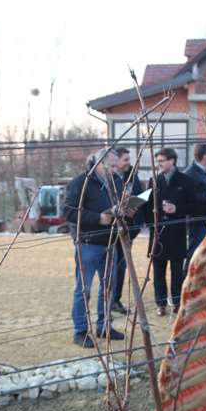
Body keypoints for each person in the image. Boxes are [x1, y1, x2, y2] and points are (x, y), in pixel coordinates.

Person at [64, 148, 134, 347]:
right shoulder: (80, 182)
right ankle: (81, 331)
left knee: (108, 289)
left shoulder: (115, 182)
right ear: (98, 163)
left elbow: (119, 206)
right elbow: (69, 212)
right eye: (110, 166)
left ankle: (104, 326)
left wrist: (125, 210)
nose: (114, 170)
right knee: (83, 290)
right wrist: (98, 218)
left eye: (115, 166)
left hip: (110, 243)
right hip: (88, 244)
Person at [145, 147, 195, 316]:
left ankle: (176, 302)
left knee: (176, 272)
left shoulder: (185, 180)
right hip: (158, 234)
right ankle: (160, 304)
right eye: (157, 161)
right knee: (158, 271)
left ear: (172, 160)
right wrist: (152, 222)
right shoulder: (154, 180)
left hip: (177, 233)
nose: (159, 164)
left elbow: (193, 205)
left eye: (162, 160)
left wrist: (177, 209)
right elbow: (148, 206)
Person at [111, 147, 144, 314]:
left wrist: (135, 208)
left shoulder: (132, 175)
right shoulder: (109, 177)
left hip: (129, 227)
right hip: (111, 228)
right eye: (125, 159)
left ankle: (115, 300)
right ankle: (109, 300)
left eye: (129, 160)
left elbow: (138, 195)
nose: (128, 163)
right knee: (112, 266)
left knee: (122, 265)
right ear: (115, 161)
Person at [184, 143, 206, 264]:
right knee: (195, 255)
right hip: (197, 223)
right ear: (205, 157)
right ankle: (188, 280)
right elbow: (188, 199)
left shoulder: (205, 172)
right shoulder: (190, 174)